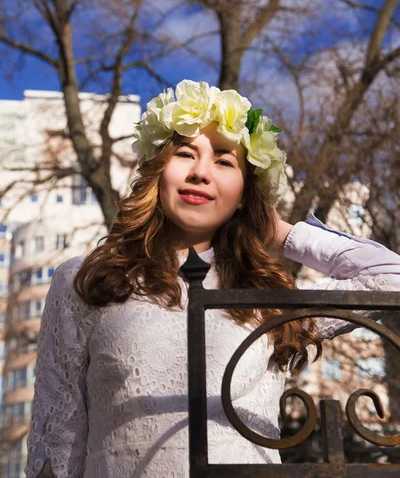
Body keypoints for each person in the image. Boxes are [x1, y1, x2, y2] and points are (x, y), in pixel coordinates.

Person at [25, 80, 400, 478]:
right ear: (158, 172)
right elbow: (57, 439)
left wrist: (280, 232)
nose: (201, 173)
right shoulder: (86, 279)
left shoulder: (270, 297)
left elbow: (391, 278)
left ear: (244, 192)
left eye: (224, 161)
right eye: (185, 153)